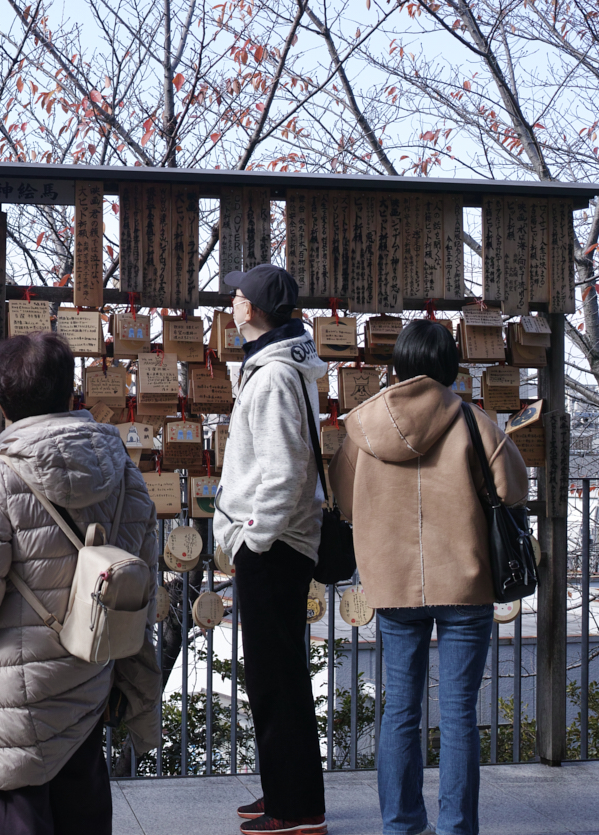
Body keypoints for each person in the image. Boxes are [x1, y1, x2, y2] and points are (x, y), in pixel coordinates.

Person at [0, 331, 159, 835]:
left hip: (13, 691)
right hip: (89, 669)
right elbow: (141, 568)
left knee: (21, 812)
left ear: (0, 403)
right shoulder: (122, 467)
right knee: (83, 807)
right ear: (71, 393)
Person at [330, 320, 528, 835]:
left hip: (394, 587)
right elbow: (511, 490)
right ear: (448, 366)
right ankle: (456, 828)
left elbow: (345, 502)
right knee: (460, 714)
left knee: (400, 710)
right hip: (465, 584)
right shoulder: (474, 421)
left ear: (397, 364)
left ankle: (400, 826)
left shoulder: (363, 426)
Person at [213, 264, 328, 835]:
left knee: (276, 675)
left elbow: (285, 473)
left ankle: (298, 809)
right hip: (277, 542)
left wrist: (250, 538)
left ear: (253, 309)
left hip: (275, 545)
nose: (230, 303)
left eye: (236, 296)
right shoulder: (276, 369)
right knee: (272, 673)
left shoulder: (276, 377)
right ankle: (286, 789)